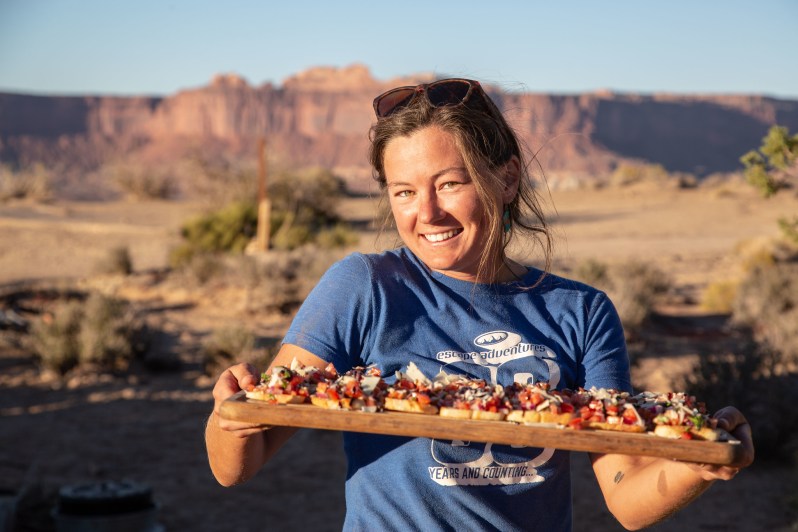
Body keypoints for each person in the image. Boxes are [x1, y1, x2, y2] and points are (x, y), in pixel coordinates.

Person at [205, 78, 755, 531]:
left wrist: (699, 465)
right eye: (403, 191)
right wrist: (229, 419)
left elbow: (626, 498)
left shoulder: (581, 312)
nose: (427, 212)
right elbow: (237, 466)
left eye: (450, 183)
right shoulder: (364, 288)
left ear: (507, 177)